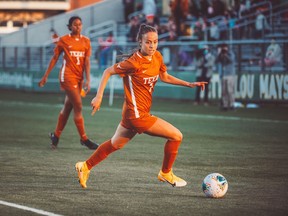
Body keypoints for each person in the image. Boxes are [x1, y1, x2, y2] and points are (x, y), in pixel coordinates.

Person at [75, 24, 207, 189]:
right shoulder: (133, 63)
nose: (152, 46)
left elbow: (164, 76)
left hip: (134, 114)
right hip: (137, 116)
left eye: (155, 42)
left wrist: (188, 84)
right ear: (140, 42)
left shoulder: (157, 57)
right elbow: (108, 71)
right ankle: (166, 173)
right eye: (148, 42)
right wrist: (99, 96)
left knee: (116, 144)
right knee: (176, 136)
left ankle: (85, 166)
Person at [38, 16, 99, 150]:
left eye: (80, 24)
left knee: (68, 107)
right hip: (67, 76)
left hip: (79, 78)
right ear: (70, 26)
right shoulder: (64, 40)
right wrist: (45, 76)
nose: (78, 26)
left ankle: (56, 136)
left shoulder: (86, 41)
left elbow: (87, 62)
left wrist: (88, 79)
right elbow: (55, 58)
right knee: (78, 105)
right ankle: (84, 139)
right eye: (75, 24)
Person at [216, 43, 236, 111]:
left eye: (224, 47)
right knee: (224, 91)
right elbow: (217, 61)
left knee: (230, 91)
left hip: (230, 74)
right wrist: (219, 54)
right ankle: (225, 105)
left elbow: (231, 60)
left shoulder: (231, 53)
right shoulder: (221, 55)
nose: (224, 49)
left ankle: (232, 105)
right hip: (223, 74)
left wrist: (225, 55)